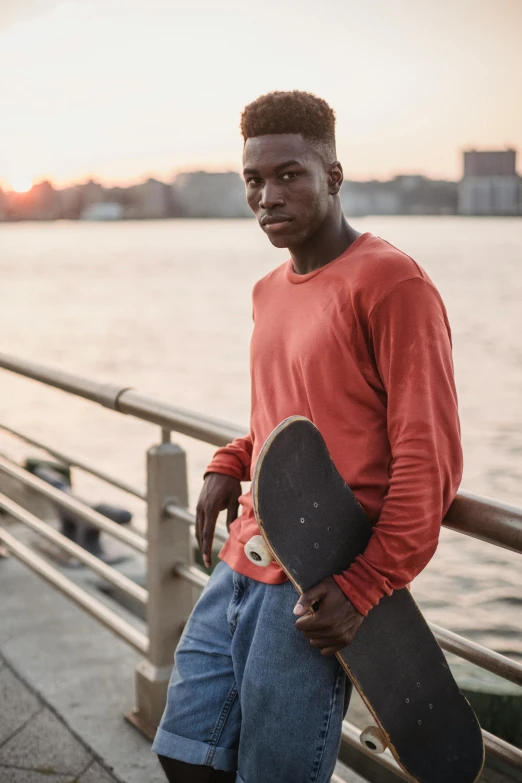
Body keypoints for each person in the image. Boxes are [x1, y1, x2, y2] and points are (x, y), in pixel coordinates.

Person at [152, 91, 463, 783]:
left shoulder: (393, 283)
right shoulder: (269, 289)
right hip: (242, 559)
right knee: (184, 753)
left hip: (319, 582)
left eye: (290, 174)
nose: (268, 195)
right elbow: (285, 415)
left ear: (334, 176)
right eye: (254, 180)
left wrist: (365, 585)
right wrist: (230, 460)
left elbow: (429, 458)